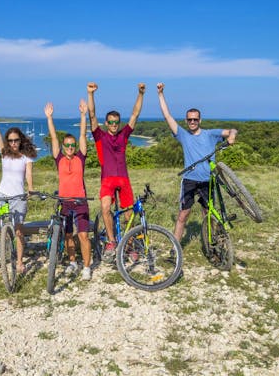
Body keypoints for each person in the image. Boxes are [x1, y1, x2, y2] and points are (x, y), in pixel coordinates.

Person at [157, 82, 237, 243]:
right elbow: (168, 117)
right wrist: (160, 94)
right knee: (183, 215)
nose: (192, 122)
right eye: (189, 120)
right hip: (189, 180)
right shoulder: (183, 135)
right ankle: (175, 250)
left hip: (208, 180)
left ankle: (213, 244)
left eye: (195, 119)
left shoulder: (210, 134)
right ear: (186, 121)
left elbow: (231, 130)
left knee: (209, 214)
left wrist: (232, 135)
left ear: (200, 120)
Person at [87, 81, 146, 261]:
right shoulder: (100, 135)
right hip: (107, 179)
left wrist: (141, 93)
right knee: (105, 208)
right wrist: (90, 94)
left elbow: (135, 114)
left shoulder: (123, 134)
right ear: (106, 123)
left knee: (129, 215)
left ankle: (129, 246)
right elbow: (92, 114)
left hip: (123, 179)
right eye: (110, 122)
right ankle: (112, 242)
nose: (113, 125)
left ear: (118, 123)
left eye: (116, 122)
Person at [0, 98, 37, 277]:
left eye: (16, 140)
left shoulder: (26, 157)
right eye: (11, 140)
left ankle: (19, 262)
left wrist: (31, 188)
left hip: (18, 197)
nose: (13, 143)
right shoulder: (4, 154)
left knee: (19, 232)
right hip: (1, 195)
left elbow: (29, 174)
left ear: (20, 141)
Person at [44, 99, 93, 281]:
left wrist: (83, 115)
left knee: (83, 236)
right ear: (63, 147)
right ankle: (73, 262)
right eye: (68, 145)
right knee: (68, 235)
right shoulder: (59, 158)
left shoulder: (81, 157)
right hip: (64, 202)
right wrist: (49, 118)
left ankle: (86, 267)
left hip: (80, 201)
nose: (71, 147)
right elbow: (54, 137)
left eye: (73, 145)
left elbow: (82, 135)